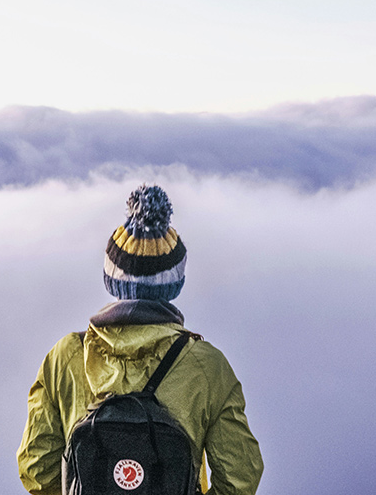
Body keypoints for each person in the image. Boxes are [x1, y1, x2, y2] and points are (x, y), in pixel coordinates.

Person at [17, 184, 264, 495]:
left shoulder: (65, 356)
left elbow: (36, 466)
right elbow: (240, 476)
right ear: (175, 285)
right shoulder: (207, 366)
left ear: (110, 280)